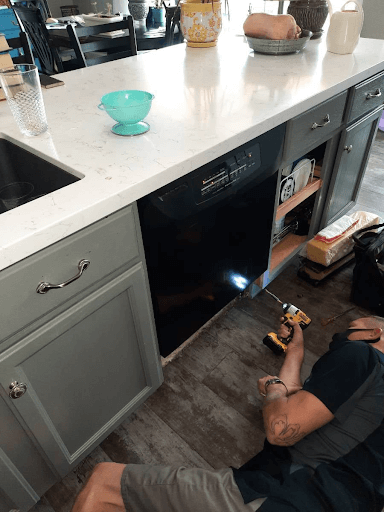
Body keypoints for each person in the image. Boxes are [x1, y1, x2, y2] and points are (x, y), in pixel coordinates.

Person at [71, 315, 384, 512]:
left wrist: (273, 388)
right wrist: (296, 351)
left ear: (374, 333)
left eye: (346, 333)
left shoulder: (362, 354)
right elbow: (299, 404)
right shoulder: (372, 406)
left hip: (292, 496)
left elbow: (282, 426)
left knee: (104, 483)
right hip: (325, 496)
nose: (340, 341)